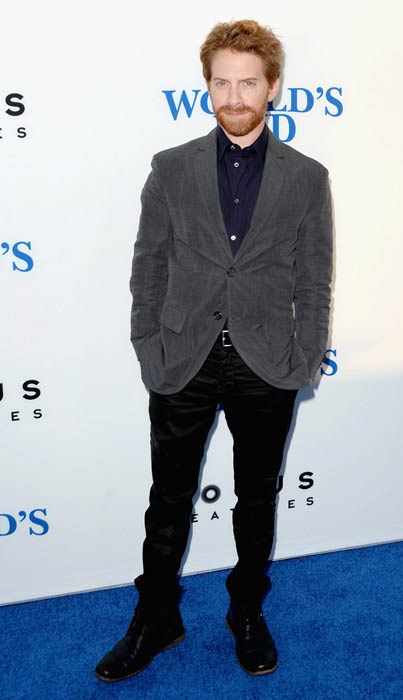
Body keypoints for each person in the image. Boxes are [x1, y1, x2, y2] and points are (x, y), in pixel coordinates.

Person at [95, 18, 333, 682]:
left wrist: (305, 354)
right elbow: (149, 265)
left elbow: (314, 277)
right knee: (168, 498)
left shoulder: (307, 178)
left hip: (267, 364)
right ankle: (156, 618)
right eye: (221, 83)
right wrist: (149, 344)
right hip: (183, 358)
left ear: (272, 87)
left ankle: (247, 613)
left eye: (247, 83)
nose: (234, 96)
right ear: (207, 86)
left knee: (257, 498)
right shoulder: (170, 169)